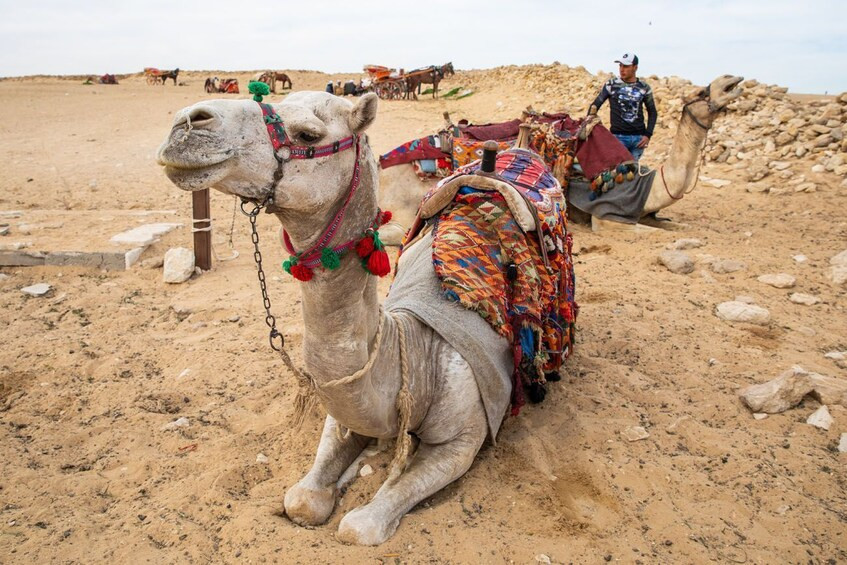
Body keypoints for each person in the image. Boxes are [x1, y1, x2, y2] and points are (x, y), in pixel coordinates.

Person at [588, 53, 657, 162]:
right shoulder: (611, 85)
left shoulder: (644, 88)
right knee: (619, 172)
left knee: (632, 174)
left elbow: (652, 112)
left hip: (638, 140)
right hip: (618, 138)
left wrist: (648, 135)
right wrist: (591, 126)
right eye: (620, 66)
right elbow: (595, 105)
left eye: (626, 66)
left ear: (635, 67)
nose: (621, 69)